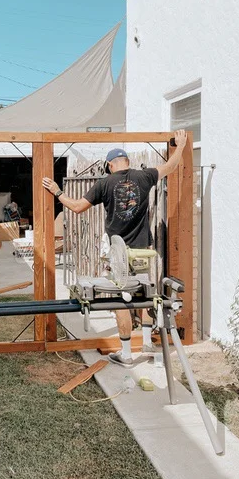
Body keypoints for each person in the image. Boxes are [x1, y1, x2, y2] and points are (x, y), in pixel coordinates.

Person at [42, 129, 188, 368]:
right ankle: (148, 343)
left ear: (110, 165)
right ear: (128, 162)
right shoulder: (145, 176)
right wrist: (180, 146)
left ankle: (127, 353)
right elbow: (171, 167)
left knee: (122, 298)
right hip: (142, 249)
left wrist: (58, 192)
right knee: (143, 292)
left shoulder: (105, 183)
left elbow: (78, 207)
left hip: (118, 252)